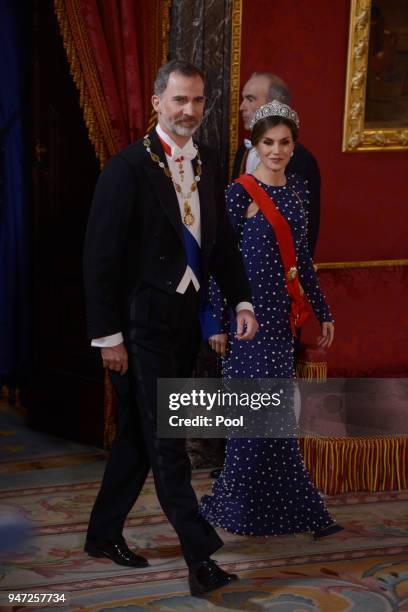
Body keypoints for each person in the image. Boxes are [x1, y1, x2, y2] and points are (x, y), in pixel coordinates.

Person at [83, 60, 258, 596]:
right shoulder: (126, 168)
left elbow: (221, 245)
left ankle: (101, 532)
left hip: (182, 325)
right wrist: (108, 337)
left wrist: (243, 300)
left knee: (139, 433)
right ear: (157, 101)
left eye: (198, 101)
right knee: (167, 442)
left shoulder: (203, 162)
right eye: (180, 100)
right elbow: (100, 260)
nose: (189, 111)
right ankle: (200, 559)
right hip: (140, 328)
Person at [200, 100, 342, 539]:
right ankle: (232, 511)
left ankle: (299, 513)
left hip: (282, 323)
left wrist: (323, 311)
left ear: (294, 145)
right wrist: (216, 323)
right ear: (255, 145)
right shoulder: (238, 193)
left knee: (277, 421)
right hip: (248, 322)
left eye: (284, 143)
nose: (276, 151)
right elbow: (217, 264)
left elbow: (302, 261)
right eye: (268, 142)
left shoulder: (296, 194)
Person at [232, 72, 321, 256]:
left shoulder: (300, 160)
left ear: (274, 105)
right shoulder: (243, 152)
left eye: (250, 99)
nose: (242, 107)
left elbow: (307, 227)